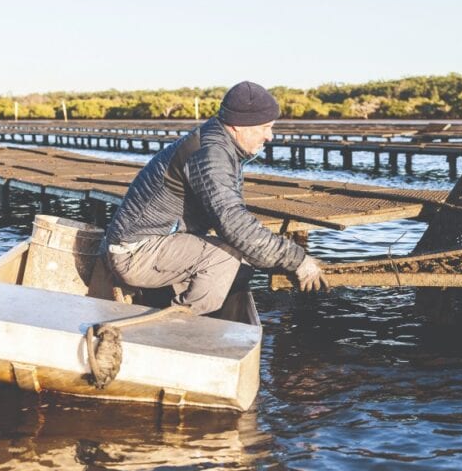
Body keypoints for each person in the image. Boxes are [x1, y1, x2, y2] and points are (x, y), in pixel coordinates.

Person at [103, 80, 327, 314]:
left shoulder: (217, 142)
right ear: (240, 125)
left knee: (244, 265)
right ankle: (179, 320)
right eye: (265, 127)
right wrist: (298, 260)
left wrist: (275, 257)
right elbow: (234, 224)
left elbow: (231, 221)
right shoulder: (212, 154)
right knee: (225, 257)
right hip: (135, 252)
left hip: (148, 243)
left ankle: (171, 299)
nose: (270, 136)